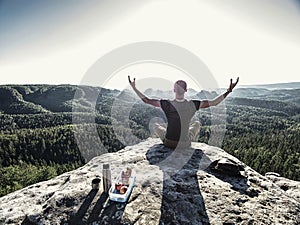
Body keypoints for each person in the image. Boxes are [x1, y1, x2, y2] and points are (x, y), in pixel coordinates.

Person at [128, 76, 239, 149]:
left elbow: (146, 100)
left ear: (174, 90)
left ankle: (167, 133)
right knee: (196, 124)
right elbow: (214, 102)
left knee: (156, 125)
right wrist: (228, 91)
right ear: (186, 90)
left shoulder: (166, 103)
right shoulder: (193, 104)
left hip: (169, 142)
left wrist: (134, 88)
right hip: (185, 144)